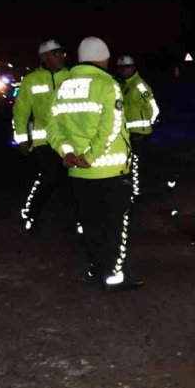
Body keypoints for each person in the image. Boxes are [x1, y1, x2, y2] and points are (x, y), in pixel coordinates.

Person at [48, 37, 140, 291]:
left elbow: (53, 128)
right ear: (103, 57)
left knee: (90, 224)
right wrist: (90, 156)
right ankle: (113, 276)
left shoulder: (62, 87)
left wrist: (67, 153)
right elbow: (111, 128)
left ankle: (98, 268)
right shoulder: (107, 84)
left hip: (78, 173)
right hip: (109, 170)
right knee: (115, 225)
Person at [13, 39, 71, 232]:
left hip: (71, 139)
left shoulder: (71, 76)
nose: (61, 56)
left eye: (61, 53)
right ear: (44, 58)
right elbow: (21, 111)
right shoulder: (31, 80)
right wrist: (22, 139)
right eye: (56, 53)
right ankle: (32, 214)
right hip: (44, 141)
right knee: (50, 178)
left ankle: (79, 222)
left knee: (75, 181)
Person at [114, 55, 159, 199]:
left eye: (127, 67)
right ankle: (134, 190)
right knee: (131, 163)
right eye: (121, 68)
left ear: (133, 67)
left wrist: (149, 123)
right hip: (128, 132)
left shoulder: (139, 85)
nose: (124, 71)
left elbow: (154, 108)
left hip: (140, 132)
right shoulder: (123, 85)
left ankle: (136, 192)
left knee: (136, 164)